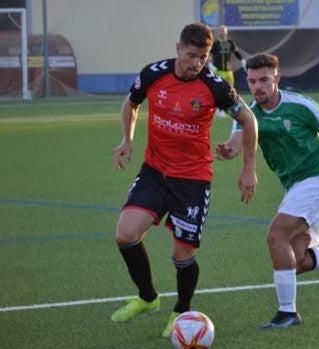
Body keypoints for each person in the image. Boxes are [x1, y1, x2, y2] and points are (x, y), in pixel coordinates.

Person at [110, 22, 258, 338]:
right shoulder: (153, 74)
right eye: (191, 55)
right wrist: (127, 140)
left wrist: (248, 169)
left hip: (192, 181)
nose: (196, 63)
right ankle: (148, 298)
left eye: (202, 57)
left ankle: (181, 311)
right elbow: (131, 103)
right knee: (125, 234)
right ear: (177, 48)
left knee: (182, 254)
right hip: (154, 172)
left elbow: (249, 120)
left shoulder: (215, 86)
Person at [215, 53, 319, 329]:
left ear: (277, 78)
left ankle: (287, 312)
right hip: (294, 188)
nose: (257, 87)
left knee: (276, 235)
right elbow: (235, 143)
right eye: (252, 81)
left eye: (264, 79)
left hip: (317, 182)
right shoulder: (247, 114)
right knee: (297, 261)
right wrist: (227, 152)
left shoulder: (300, 106)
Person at [209, 25, 246, 117]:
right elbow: (208, 54)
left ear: (226, 32)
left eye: (224, 31)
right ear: (218, 33)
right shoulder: (215, 43)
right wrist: (210, 65)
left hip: (229, 71)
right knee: (219, 90)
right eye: (221, 31)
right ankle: (219, 109)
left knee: (230, 91)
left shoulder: (230, 43)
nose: (222, 32)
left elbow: (236, 52)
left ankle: (229, 108)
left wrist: (242, 61)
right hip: (218, 71)